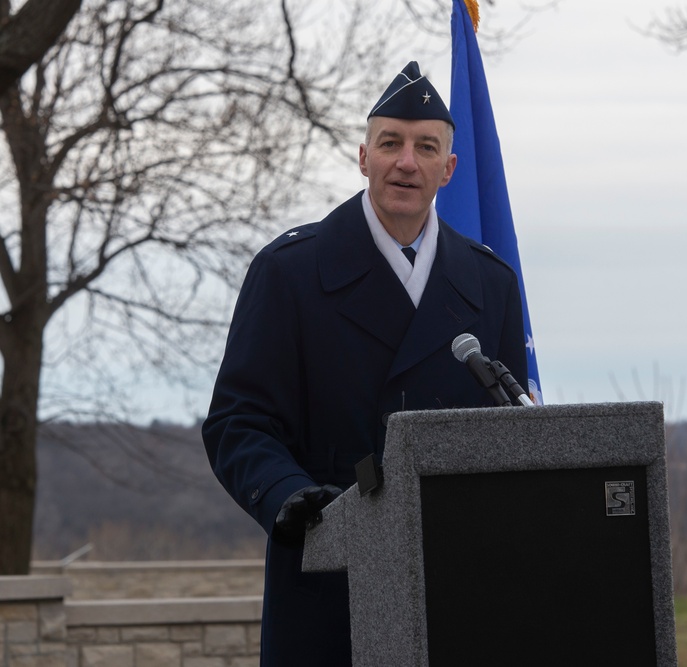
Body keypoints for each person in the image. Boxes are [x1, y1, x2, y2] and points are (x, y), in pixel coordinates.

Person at [202, 61, 528, 666]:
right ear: (363, 157)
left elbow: (512, 433)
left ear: (448, 169)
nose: (406, 161)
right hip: (328, 586)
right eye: (390, 144)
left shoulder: (491, 283)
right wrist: (287, 495)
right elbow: (237, 423)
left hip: (459, 591)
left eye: (425, 147)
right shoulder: (289, 273)